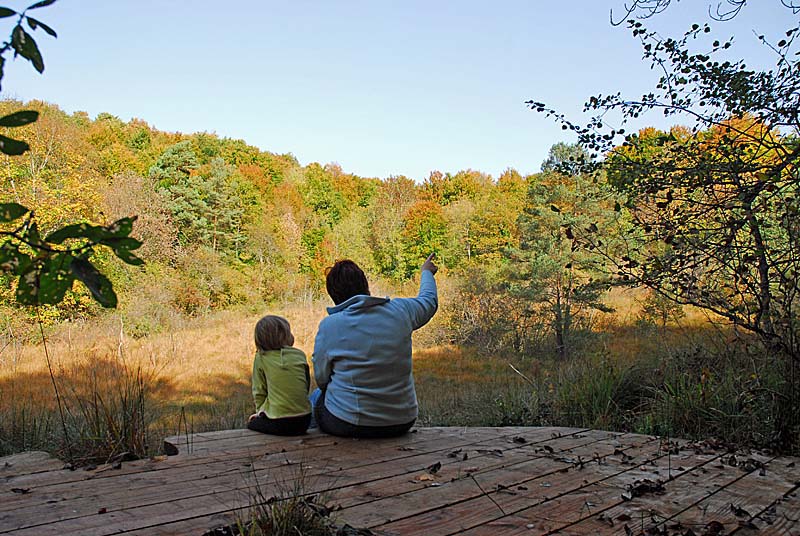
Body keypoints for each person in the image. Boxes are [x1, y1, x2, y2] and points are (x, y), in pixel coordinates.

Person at [311, 253, 438, 438]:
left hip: (349, 423)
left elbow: (322, 380)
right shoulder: (401, 311)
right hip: (402, 421)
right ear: (365, 285)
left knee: (315, 398)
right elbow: (429, 301)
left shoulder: (330, 326)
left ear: (333, 294)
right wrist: (426, 272)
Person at [247, 315, 312, 436]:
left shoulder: (261, 358)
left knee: (251, 424)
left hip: (279, 422)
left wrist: (260, 413)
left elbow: (259, 390)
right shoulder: (300, 355)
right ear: (285, 336)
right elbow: (306, 385)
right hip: (305, 420)